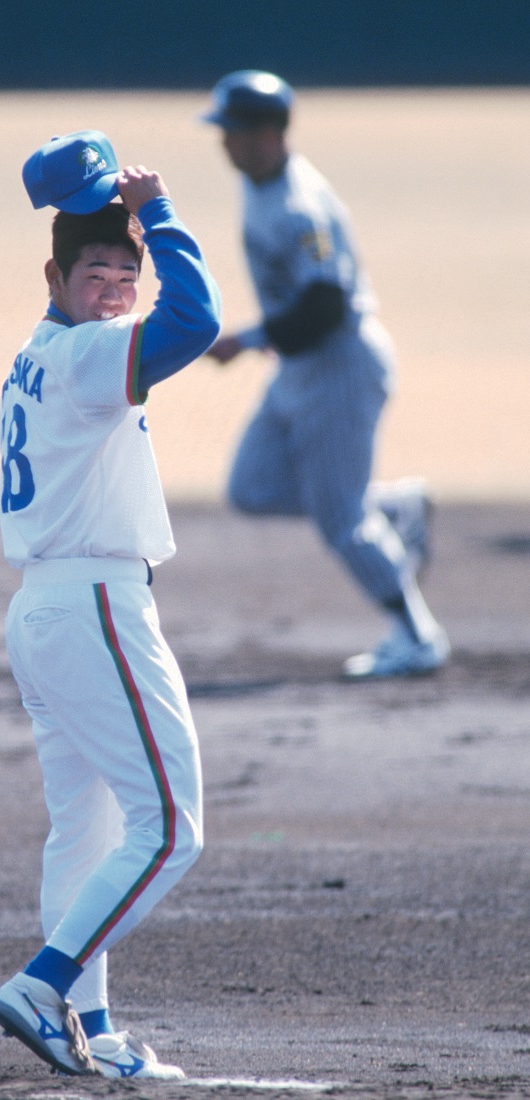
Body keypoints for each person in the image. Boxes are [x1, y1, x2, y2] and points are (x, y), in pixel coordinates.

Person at [0, 131, 221, 1078]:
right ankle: (44, 987)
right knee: (171, 828)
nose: (117, 286)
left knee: (83, 834)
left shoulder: (35, 357)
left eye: (129, 271)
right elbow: (194, 323)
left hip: (47, 615)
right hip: (89, 607)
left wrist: (130, 227)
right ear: (55, 274)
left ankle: (91, 1026)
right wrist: (161, 216)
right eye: (98, 271)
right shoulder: (86, 357)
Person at [200, 71, 450, 678]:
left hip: (339, 367)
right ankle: (394, 509)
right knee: (252, 488)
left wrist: (247, 339)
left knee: (341, 520)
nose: (222, 142)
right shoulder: (261, 185)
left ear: (266, 133)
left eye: (231, 130)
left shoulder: (297, 204)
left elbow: (326, 305)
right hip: (301, 369)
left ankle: (418, 636)